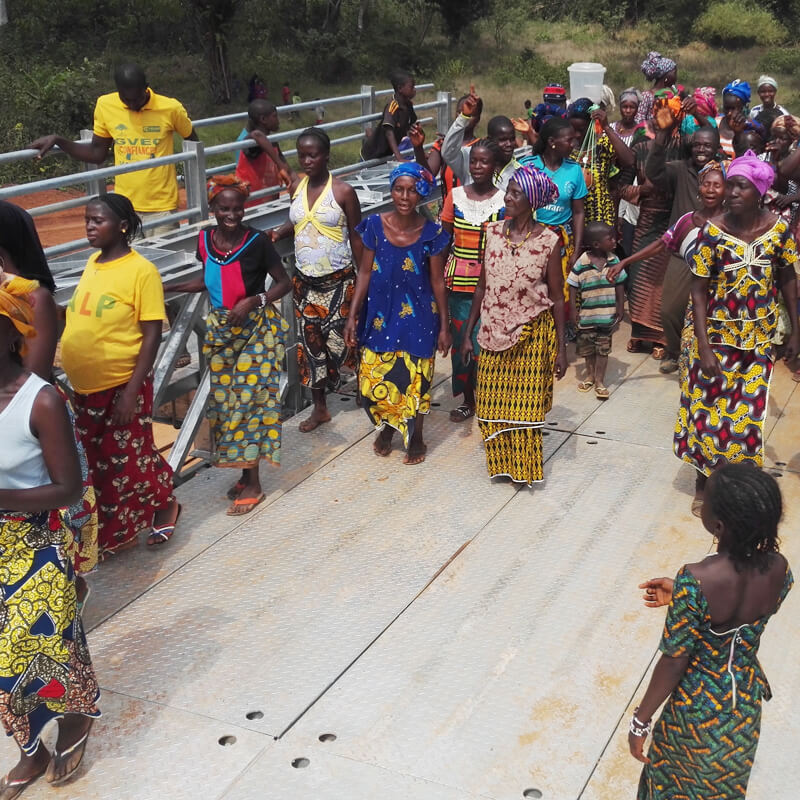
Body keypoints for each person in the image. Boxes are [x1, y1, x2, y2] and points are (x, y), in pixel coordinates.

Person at [631, 464, 793, 800]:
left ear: (717, 525)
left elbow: (674, 660)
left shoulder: (697, 578)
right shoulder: (780, 569)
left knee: (672, 787)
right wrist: (684, 596)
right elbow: (741, 611)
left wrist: (641, 720)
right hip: (743, 708)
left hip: (695, 711)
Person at [0, 274, 101, 797]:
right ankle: (29, 747)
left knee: (38, 643)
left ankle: (76, 717)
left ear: (10, 333)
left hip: (34, 539)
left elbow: (66, 488)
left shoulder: (40, 402)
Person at [675, 152, 799, 514]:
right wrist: (703, 346)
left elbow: (788, 278)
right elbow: (698, 290)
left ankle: (735, 486)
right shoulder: (712, 233)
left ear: (759, 191)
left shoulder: (778, 230)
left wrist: (795, 331)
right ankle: (704, 482)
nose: (730, 192)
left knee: (746, 417)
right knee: (706, 411)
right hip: (714, 337)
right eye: (730, 184)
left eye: (740, 186)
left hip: (758, 340)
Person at [60, 193, 181, 554]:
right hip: (84, 388)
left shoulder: (141, 271)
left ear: (123, 226)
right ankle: (115, 532)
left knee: (129, 460)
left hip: (122, 384)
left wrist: (131, 392)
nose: (90, 226)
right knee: (98, 463)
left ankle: (165, 503)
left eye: (98, 220)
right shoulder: (93, 263)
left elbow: (152, 334)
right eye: (87, 220)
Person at [166, 176, 291, 514]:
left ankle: (253, 482)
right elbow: (208, 278)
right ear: (213, 210)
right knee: (226, 404)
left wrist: (255, 300)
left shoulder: (257, 242)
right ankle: (244, 470)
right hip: (222, 331)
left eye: (237, 208)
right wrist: (169, 287)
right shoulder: (205, 240)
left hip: (255, 331)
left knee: (250, 402)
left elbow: (284, 283)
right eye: (224, 208)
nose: (231, 214)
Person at [0, 201, 99, 591]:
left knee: (58, 512)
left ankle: (65, 593)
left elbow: (35, 371)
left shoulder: (32, 297)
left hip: (25, 414)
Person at [461, 166, 567, 485]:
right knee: (491, 403)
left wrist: (562, 349)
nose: (506, 198)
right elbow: (481, 286)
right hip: (492, 332)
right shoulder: (492, 232)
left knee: (525, 408)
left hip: (531, 334)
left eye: (515, 194)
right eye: (507, 191)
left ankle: (523, 470)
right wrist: (468, 333)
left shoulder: (549, 240)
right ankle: (502, 465)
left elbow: (559, 297)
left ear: (531, 201)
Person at [343, 163, 450, 465]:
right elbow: (363, 272)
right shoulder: (374, 226)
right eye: (398, 189)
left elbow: (438, 282)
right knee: (374, 377)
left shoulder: (432, 233)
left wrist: (444, 326)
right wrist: (352, 316)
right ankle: (388, 426)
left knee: (415, 378)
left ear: (421, 194)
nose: (404, 196)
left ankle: (415, 436)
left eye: (412, 190)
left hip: (420, 316)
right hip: (379, 313)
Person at [30, 63, 196, 233]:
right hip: (124, 208)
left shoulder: (170, 108)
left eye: (137, 99)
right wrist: (59, 141)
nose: (132, 105)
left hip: (162, 208)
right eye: (126, 100)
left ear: (146, 88)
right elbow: (97, 153)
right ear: (118, 92)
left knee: (164, 258)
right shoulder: (106, 105)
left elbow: (192, 140)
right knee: (127, 258)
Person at [270, 128, 363, 432]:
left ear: (326, 156)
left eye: (313, 155)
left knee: (344, 343)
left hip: (338, 283)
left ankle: (364, 387)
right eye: (302, 155)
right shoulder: (297, 188)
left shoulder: (343, 192)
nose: (307, 160)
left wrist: (364, 281)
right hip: (305, 286)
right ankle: (319, 408)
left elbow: (356, 237)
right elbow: (298, 219)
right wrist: (282, 231)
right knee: (310, 349)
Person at [611, 161, 728, 385]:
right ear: (699, 188)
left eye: (717, 185)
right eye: (706, 184)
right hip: (685, 266)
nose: (711, 190)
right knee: (669, 312)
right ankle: (674, 352)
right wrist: (625, 260)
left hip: (716, 279)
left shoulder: (732, 223)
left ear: (726, 190)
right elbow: (660, 244)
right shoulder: (687, 220)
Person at [645, 126, 721, 373]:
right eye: (697, 144)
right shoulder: (679, 169)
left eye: (707, 145)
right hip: (683, 253)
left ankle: (705, 354)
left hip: (717, 256)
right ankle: (675, 351)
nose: (701, 149)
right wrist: (662, 136)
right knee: (669, 309)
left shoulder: (725, 174)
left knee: (711, 309)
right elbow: (653, 172)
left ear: (716, 148)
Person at [439, 138, 505, 422]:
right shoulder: (455, 196)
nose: (478, 167)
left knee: (487, 345)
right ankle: (468, 399)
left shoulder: (505, 200)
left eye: (484, 161)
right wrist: (437, 283)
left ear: (495, 166)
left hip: (492, 286)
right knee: (462, 345)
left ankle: (490, 397)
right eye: (474, 161)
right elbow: (443, 241)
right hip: (459, 285)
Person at [527, 117, 588, 314]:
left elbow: (579, 212)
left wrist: (576, 250)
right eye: (569, 140)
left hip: (561, 240)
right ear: (552, 142)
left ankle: (559, 332)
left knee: (559, 289)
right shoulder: (528, 166)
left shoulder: (574, 170)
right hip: (531, 238)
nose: (573, 143)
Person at [567, 221, 626, 399]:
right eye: (610, 239)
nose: (615, 241)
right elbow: (572, 285)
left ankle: (600, 381)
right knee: (588, 350)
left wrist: (620, 307)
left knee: (603, 350)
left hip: (606, 316)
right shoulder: (582, 262)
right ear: (596, 244)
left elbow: (620, 284)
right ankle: (591, 376)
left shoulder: (614, 260)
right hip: (587, 316)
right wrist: (573, 309)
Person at [568, 98, 635, 226]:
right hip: (573, 217)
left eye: (581, 130)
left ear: (592, 125)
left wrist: (606, 127)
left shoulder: (603, 144)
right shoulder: (567, 146)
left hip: (600, 216)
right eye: (573, 129)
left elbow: (629, 161)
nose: (576, 135)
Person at [440, 87, 522, 190]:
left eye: (512, 139)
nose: (509, 144)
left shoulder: (520, 173)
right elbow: (448, 152)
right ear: (489, 140)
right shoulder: (471, 158)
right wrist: (463, 117)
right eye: (503, 140)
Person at [411, 93, 483, 199]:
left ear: (478, 119)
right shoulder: (442, 144)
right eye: (460, 112)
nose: (463, 117)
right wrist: (418, 148)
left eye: (470, 115)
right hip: (448, 213)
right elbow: (428, 175)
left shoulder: (482, 149)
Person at [235, 99, 289, 205]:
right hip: (252, 203)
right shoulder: (248, 143)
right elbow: (257, 135)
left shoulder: (271, 141)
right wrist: (280, 166)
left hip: (268, 198)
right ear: (263, 119)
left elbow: (285, 165)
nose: (278, 121)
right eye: (274, 116)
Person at [361, 69, 417, 162]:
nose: (414, 90)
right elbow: (389, 132)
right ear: (400, 88)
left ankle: (371, 134)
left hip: (386, 154)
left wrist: (420, 152)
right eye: (411, 87)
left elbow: (412, 126)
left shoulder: (408, 105)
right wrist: (399, 157)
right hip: (372, 155)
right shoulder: (392, 107)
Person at [636, 52, 678, 124]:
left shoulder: (674, 94)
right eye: (674, 73)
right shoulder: (647, 96)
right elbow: (639, 121)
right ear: (666, 75)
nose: (676, 77)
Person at [717, 80, 751, 158]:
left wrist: (739, 133)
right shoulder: (714, 124)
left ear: (743, 108)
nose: (729, 113)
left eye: (733, 109)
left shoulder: (750, 128)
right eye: (727, 108)